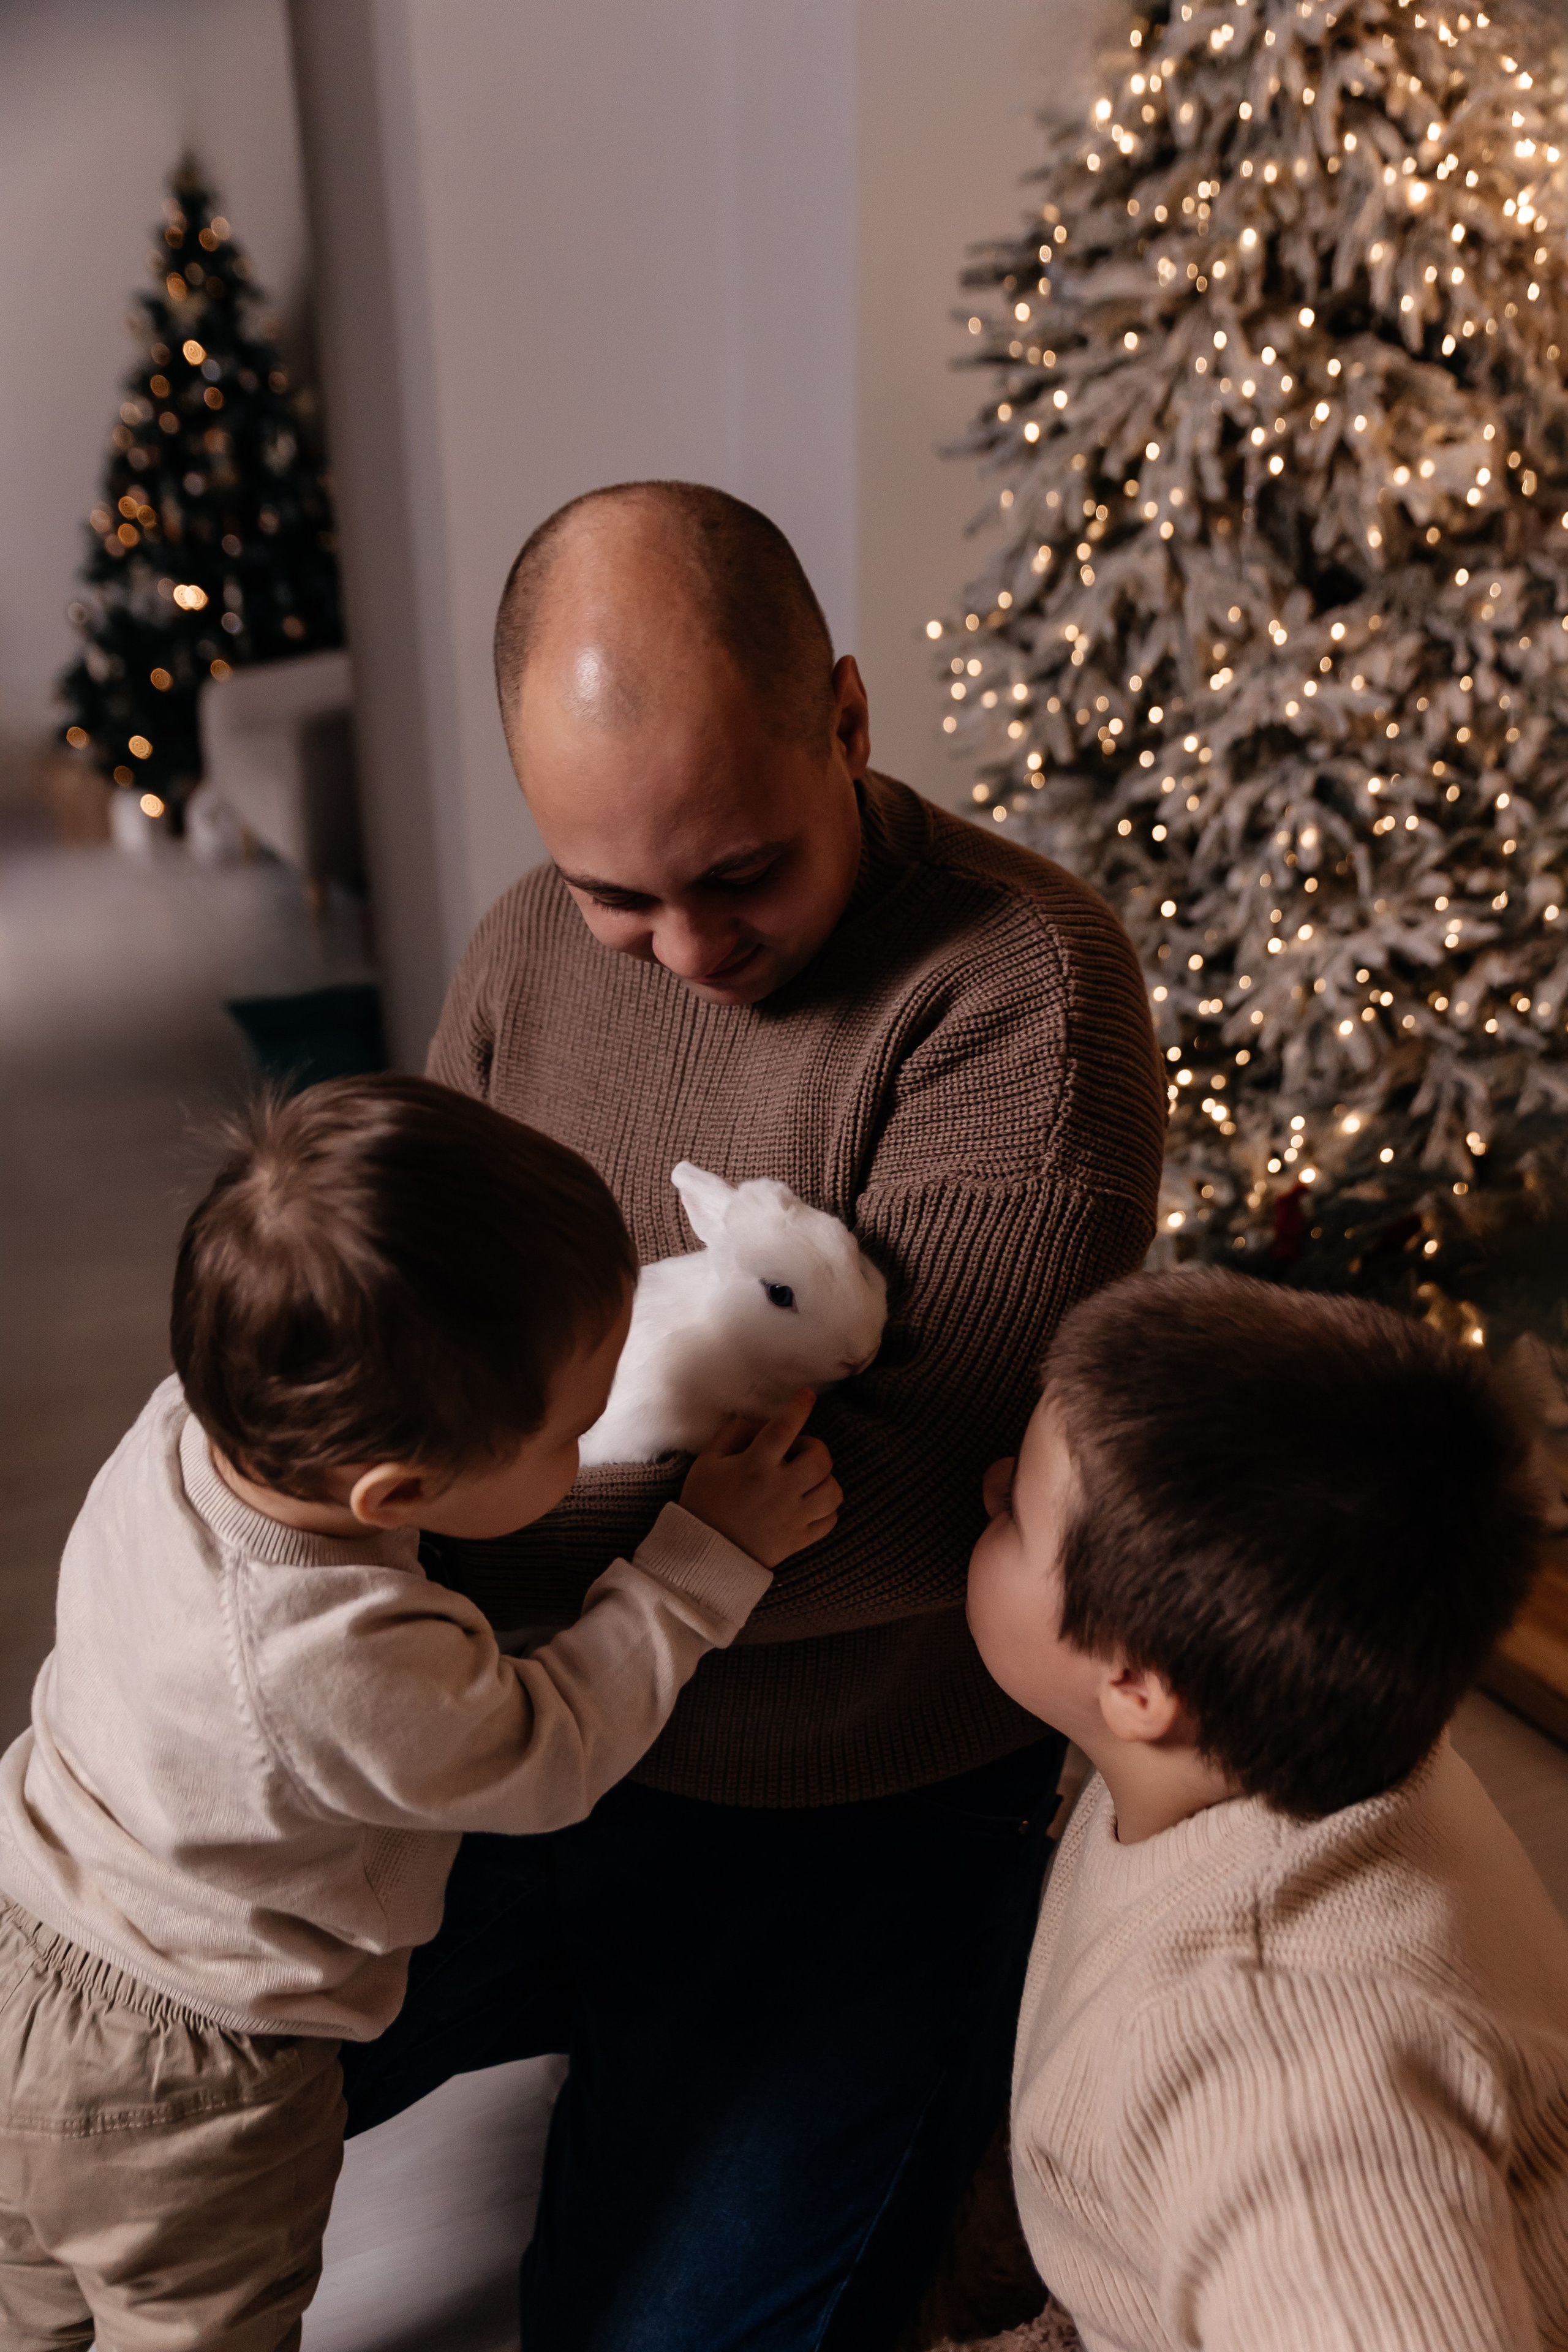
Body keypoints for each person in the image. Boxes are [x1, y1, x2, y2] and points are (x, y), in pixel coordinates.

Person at [340, 480, 1167, 2348]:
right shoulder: (527, 949)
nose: (688, 949)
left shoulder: (1020, 986)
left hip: (842, 1803)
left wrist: (437, 1545)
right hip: (508, 1724)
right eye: (614, 892)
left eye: (739, 876)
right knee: (125, 2071)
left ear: (852, 724)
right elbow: (422, 1326)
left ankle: (946, 2151)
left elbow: (891, 1505)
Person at [0, 1074, 837, 2351]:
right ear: (395, 1493)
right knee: (196, 2322)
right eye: (574, 1428)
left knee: (33, 2300)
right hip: (191, 2065)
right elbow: (547, 1750)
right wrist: (698, 1560)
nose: (595, 1441)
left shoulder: (191, 1420)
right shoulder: (336, 1659)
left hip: (27, 1938)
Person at [966, 1266, 1568, 2352]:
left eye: (1017, 1515)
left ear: (1139, 1689)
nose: (990, 1484)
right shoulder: (1330, 1722)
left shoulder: (1281, 2064)